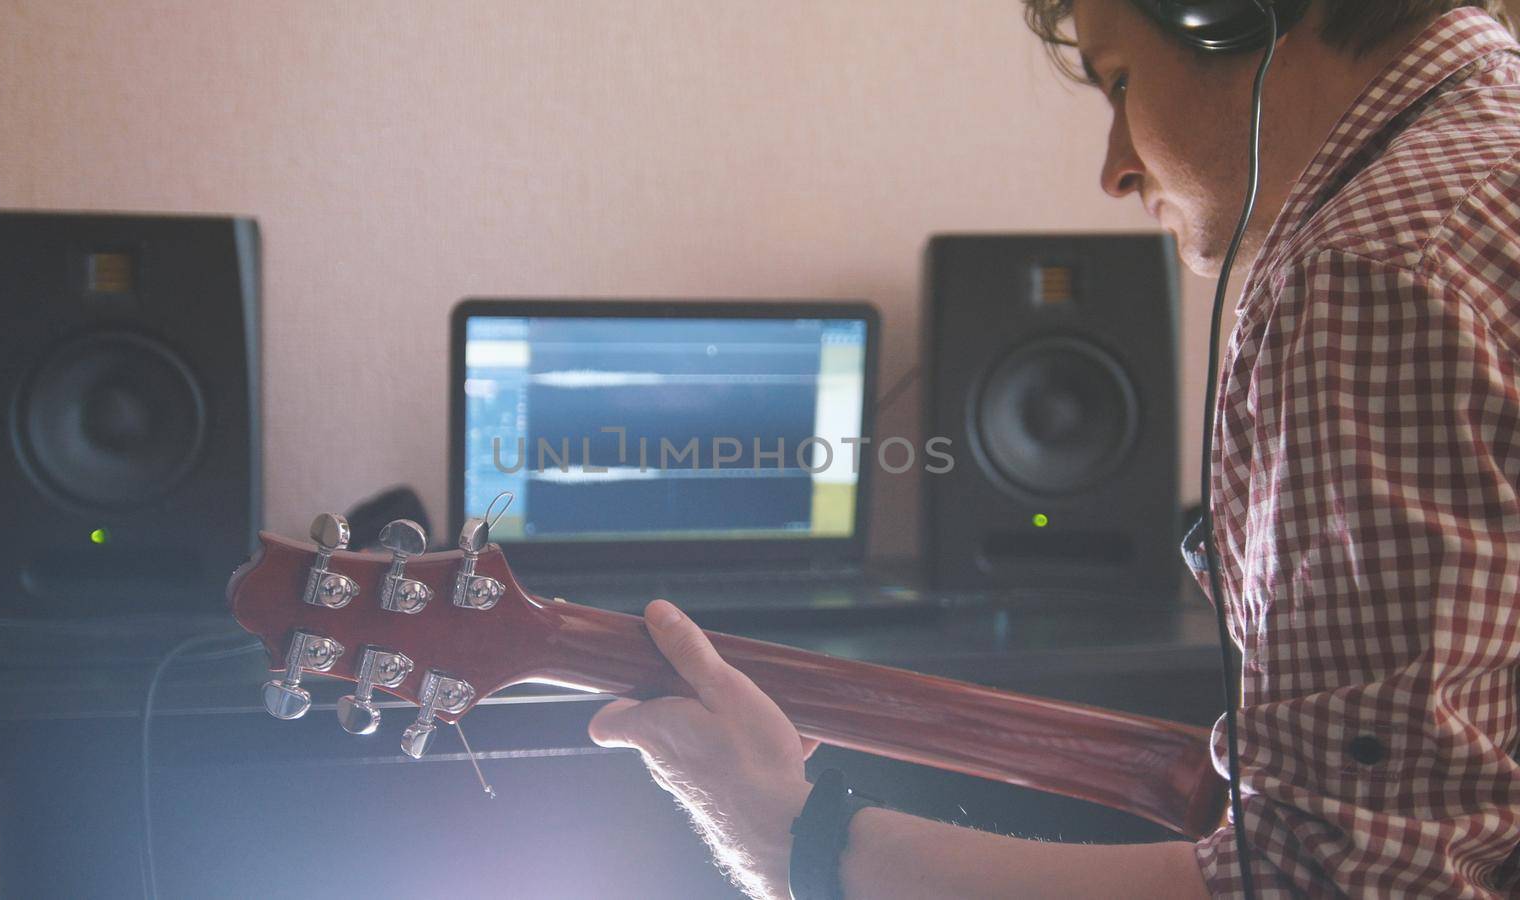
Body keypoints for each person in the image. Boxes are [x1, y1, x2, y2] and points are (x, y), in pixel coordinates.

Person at [587, 1, 1520, 896]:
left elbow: (1337, 889)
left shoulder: (1373, 270)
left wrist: (780, 831)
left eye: (1118, 81)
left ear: (1229, 8)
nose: (1116, 169)